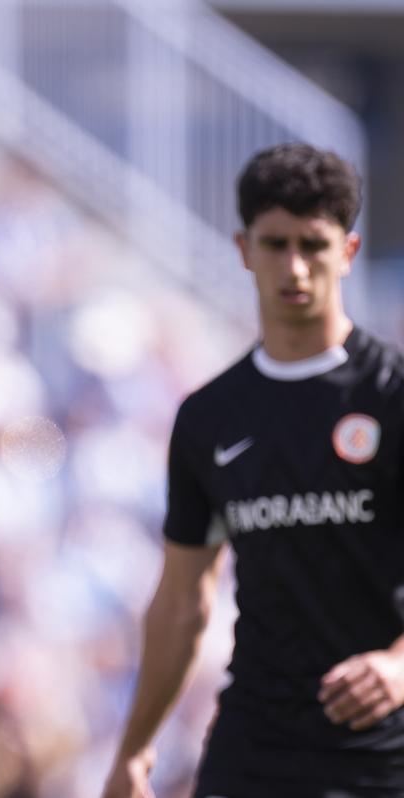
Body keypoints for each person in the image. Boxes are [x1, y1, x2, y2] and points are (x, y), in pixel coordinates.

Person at [103, 143, 404, 798]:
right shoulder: (209, 417)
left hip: (384, 750)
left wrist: (400, 662)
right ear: (243, 248)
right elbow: (184, 601)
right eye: (275, 244)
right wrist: (135, 748)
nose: (294, 267)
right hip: (254, 747)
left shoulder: (392, 394)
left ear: (347, 252)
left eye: (313, 244)